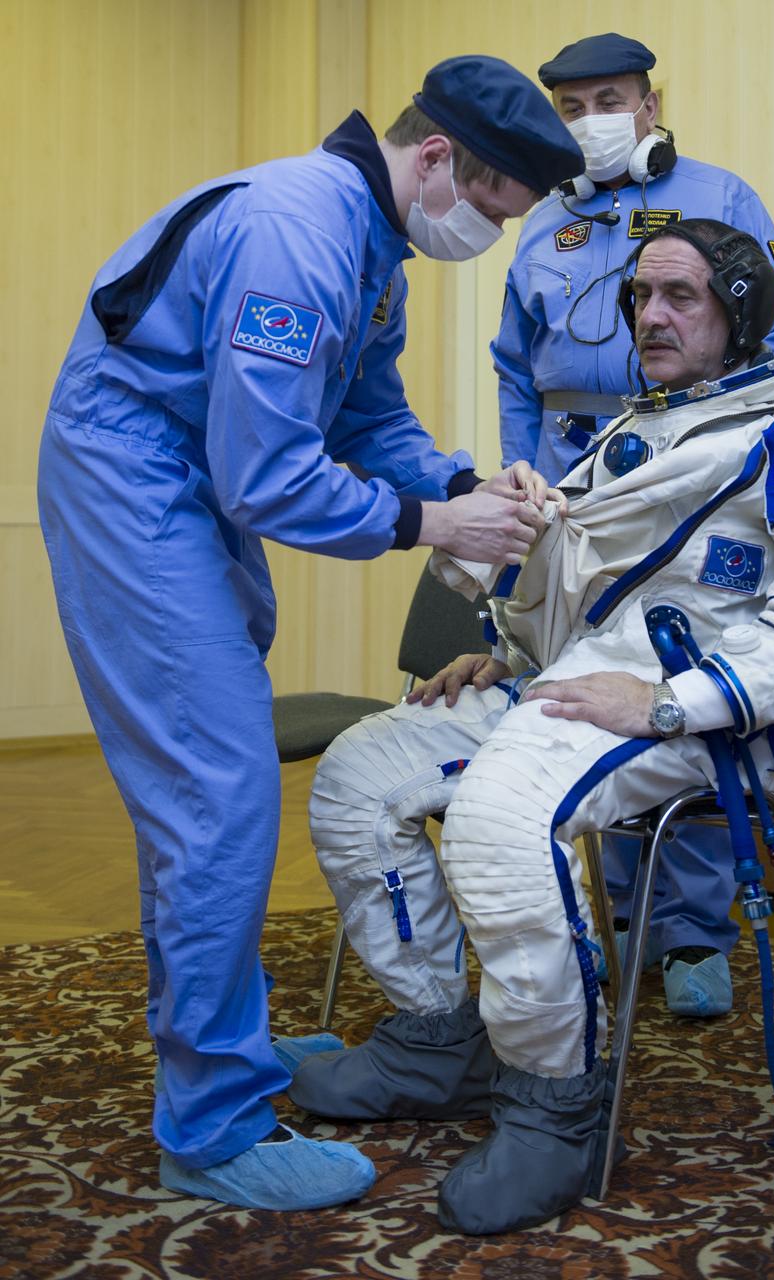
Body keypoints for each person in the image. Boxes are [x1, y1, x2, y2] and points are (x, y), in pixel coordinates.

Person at [276, 220, 774, 1233]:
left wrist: (668, 699)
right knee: (360, 774)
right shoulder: (632, 438)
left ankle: (552, 1100)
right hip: (580, 689)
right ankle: (436, 1038)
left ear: (744, 314)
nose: (649, 316)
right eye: (639, 299)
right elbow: (577, 595)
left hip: (717, 722)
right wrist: (513, 654)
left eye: (680, 297)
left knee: (497, 816)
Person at [36, 55, 585, 1213]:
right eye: (489, 209)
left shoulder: (373, 246)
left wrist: (467, 482)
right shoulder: (299, 231)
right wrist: (436, 521)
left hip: (182, 476)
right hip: (135, 473)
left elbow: (368, 414)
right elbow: (268, 475)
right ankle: (212, 1125)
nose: (487, 235)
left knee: (203, 794)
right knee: (221, 792)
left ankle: (216, 1041)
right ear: (437, 157)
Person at [491, 32, 774, 1019]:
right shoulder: (543, 226)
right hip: (581, 497)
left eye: (610, 98)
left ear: (652, 102)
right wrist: (528, 485)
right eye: (573, 106)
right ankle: (622, 914)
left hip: (693, 488)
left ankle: (697, 931)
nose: (593, 120)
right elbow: (513, 361)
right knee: (588, 694)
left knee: (683, 688)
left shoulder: (724, 199)